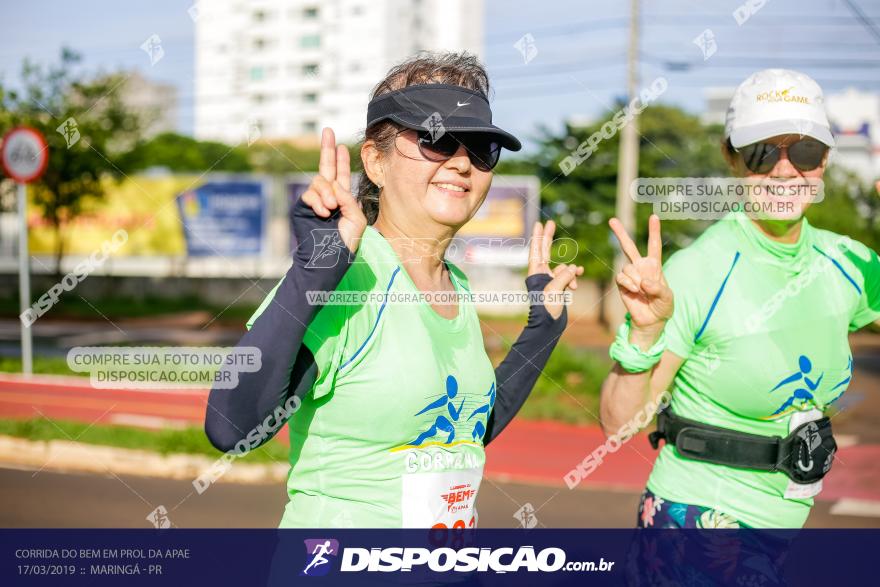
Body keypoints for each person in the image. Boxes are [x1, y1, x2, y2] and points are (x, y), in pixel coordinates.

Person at [204, 52, 584, 528]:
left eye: (481, 148)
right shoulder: (350, 278)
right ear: (375, 162)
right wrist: (312, 274)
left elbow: (460, 436)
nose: (463, 163)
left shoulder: (456, 286)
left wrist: (541, 330)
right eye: (437, 140)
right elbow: (231, 427)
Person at [600, 68, 880, 531]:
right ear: (733, 159)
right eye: (762, 152)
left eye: (805, 150)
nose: (785, 169)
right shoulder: (698, 271)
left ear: (825, 160)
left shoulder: (848, 261)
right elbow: (619, 426)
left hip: (788, 529)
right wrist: (643, 335)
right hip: (701, 521)